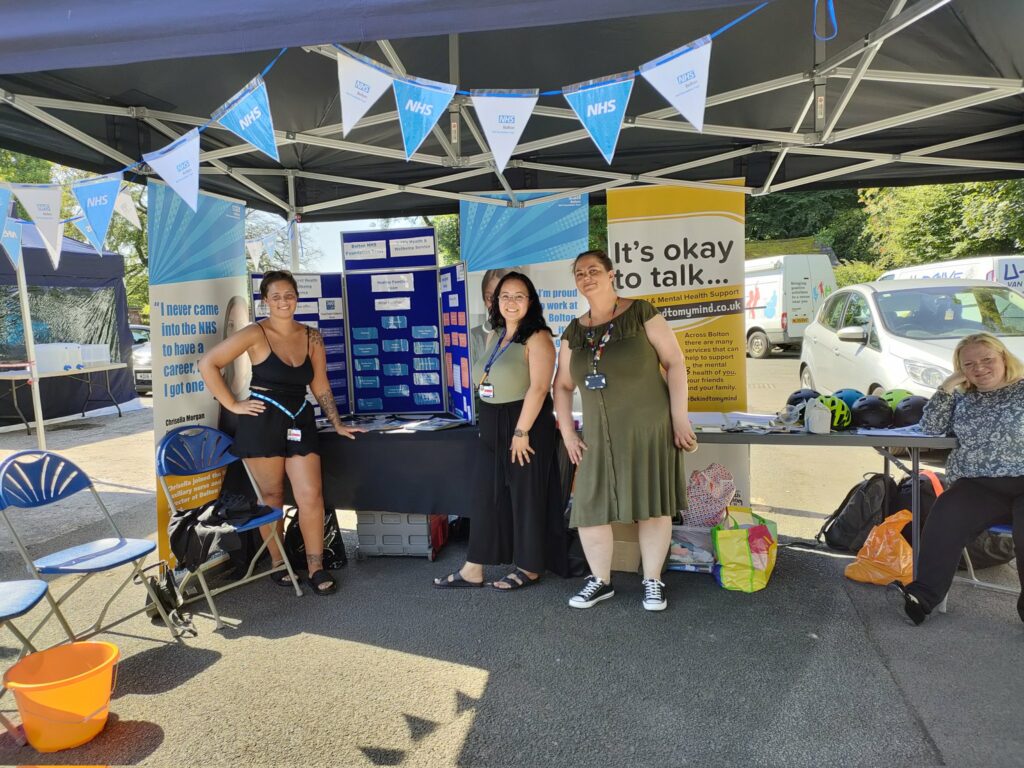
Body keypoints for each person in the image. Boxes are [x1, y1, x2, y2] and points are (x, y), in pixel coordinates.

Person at [198, 270, 364, 596]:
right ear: (265, 301)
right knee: (271, 497)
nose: (283, 301)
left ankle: (316, 566)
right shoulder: (254, 333)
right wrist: (232, 403)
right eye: (276, 296)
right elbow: (209, 363)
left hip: (300, 419)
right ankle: (278, 563)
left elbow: (320, 385)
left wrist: (336, 423)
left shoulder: (311, 336)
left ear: (296, 298)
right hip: (262, 421)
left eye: (289, 295)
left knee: (311, 496)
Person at [553, 249, 697, 611]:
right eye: (580, 272)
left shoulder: (641, 312)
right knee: (588, 506)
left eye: (594, 270)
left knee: (652, 505)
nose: (587, 277)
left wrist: (679, 416)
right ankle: (600, 581)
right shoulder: (574, 330)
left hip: (649, 428)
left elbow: (675, 362)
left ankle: (652, 580)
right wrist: (568, 433)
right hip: (598, 436)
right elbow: (562, 386)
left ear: (612, 274)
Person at [434, 271, 561, 591]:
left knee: (526, 496)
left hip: (525, 424)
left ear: (530, 301)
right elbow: (480, 377)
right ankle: (473, 567)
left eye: (519, 296)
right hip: (491, 421)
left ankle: (530, 566)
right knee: (487, 497)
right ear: (495, 302)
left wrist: (521, 433)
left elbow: (540, 388)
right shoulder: (495, 335)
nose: (511, 302)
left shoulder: (539, 337)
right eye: (505, 296)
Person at [888, 332, 1024, 625]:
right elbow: (931, 427)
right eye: (969, 364)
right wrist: (947, 387)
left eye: (987, 359)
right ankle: (922, 596)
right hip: (979, 485)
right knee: (947, 512)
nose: (980, 368)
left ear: (1003, 357)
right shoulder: (962, 398)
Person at [217, 294, 253, 437]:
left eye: (242, 325)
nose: (237, 332)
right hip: (225, 450)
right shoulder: (221, 373)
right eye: (231, 325)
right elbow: (204, 365)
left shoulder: (259, 368)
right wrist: (233, 405)